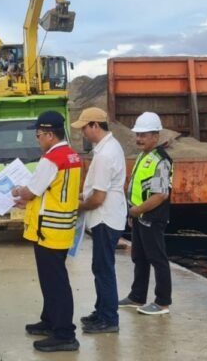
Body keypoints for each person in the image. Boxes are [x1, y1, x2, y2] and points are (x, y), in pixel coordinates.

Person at [11, 111, 81, 352]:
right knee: (53, 279)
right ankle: (50, 320)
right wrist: (28, 200)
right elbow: (50, 192)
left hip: (48, 231)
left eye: (39, 134)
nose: (37, 139)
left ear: (50, 134)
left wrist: (18, 191)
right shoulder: (72, 155)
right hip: (62, 228)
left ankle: (64, 334)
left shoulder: (51, 159)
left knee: (55, 283)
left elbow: (32, 191)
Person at [72, 108, 127, 333]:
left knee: (104, 269)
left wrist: (78, 207)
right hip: (108, 216)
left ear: (95, 125)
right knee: (100, 267)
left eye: (84, 128)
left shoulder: (105, 155)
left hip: (105, 217)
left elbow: (98, 198)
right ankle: (101, 310)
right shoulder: (107, 148)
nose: (83, 133)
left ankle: (109, 319)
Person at [119, 112, 174, 316]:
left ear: (155, 136)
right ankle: (137, 295)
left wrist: (137, 211)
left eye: (144, 135)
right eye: (138, 134)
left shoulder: (160, 160)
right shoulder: (145, 156)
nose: (139, 139)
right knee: (139, 257)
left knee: (157, 258)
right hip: (140, 216)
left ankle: (162, 302)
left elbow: (160, 195)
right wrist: (133, 214)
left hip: (152, 217)